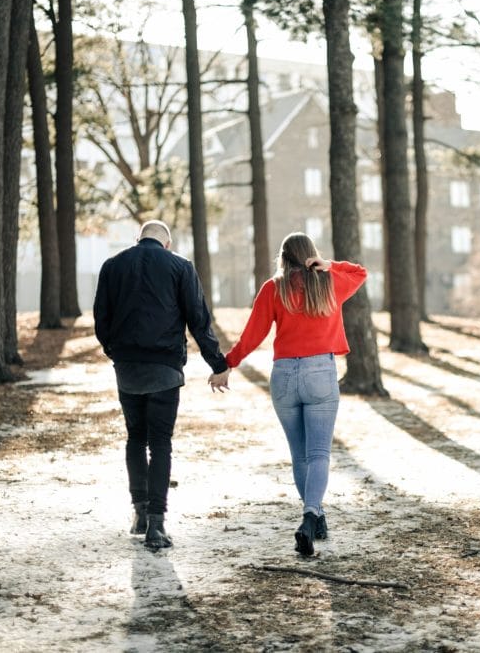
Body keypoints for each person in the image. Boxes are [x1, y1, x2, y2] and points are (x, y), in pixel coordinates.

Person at [216, 232, 367, 556]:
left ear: (283, 257)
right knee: (319, 455)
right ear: (311, 255)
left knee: (299, 455)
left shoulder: (274, 288)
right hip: (319, 375)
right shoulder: (329, 282)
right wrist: (330, 265)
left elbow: (252, 333)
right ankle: (311, 515)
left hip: (284, 375)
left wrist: (228, 364)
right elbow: (360, 272)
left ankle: (316, 517)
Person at [93, 220, 230, 549]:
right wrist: (218, 364)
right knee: (161, 444)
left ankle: (139, 513)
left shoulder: (113, 265)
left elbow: (101, 319)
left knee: (135, 438)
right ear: (166, 244)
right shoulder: (180, 266)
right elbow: (198, 319)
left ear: (137, 239)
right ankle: (156, 525)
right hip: (165, 368)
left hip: (128, 368)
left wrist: (116, 352)